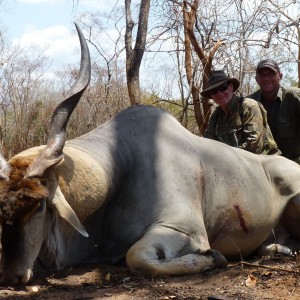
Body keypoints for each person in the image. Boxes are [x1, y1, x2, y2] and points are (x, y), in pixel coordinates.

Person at [202, 70, 280, 155]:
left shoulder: (249, 106)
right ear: (211, 96)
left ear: (231, 86)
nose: (219, 93)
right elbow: (209, 144)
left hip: (263, 163)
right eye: (214, 91)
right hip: (231, 164)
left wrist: (226, 158)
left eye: (223, 87)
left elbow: (254, 145)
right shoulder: (216, 116)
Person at [247, 59, 300, 163]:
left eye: (271, 74)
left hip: (295, 163)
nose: (266, 78)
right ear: (256, 79)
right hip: (264, 166)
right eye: (262, 75)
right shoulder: (249, 103)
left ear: (280, 76)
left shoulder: (294, 96)